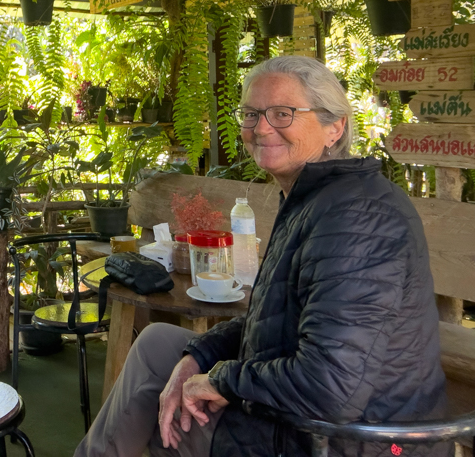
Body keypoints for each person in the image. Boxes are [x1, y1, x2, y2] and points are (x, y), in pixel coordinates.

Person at [77, 55, 448, 457]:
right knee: (160, 344)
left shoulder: (356, 218)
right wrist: (199, 357)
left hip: (346, 439)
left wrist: (220, 380)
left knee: (173, 415)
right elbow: (275, 321)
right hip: (308, 414)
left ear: (334, 127)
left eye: (283, 113)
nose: (262, 128)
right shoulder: (314, 200)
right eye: (251, 114)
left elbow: (330, 388)